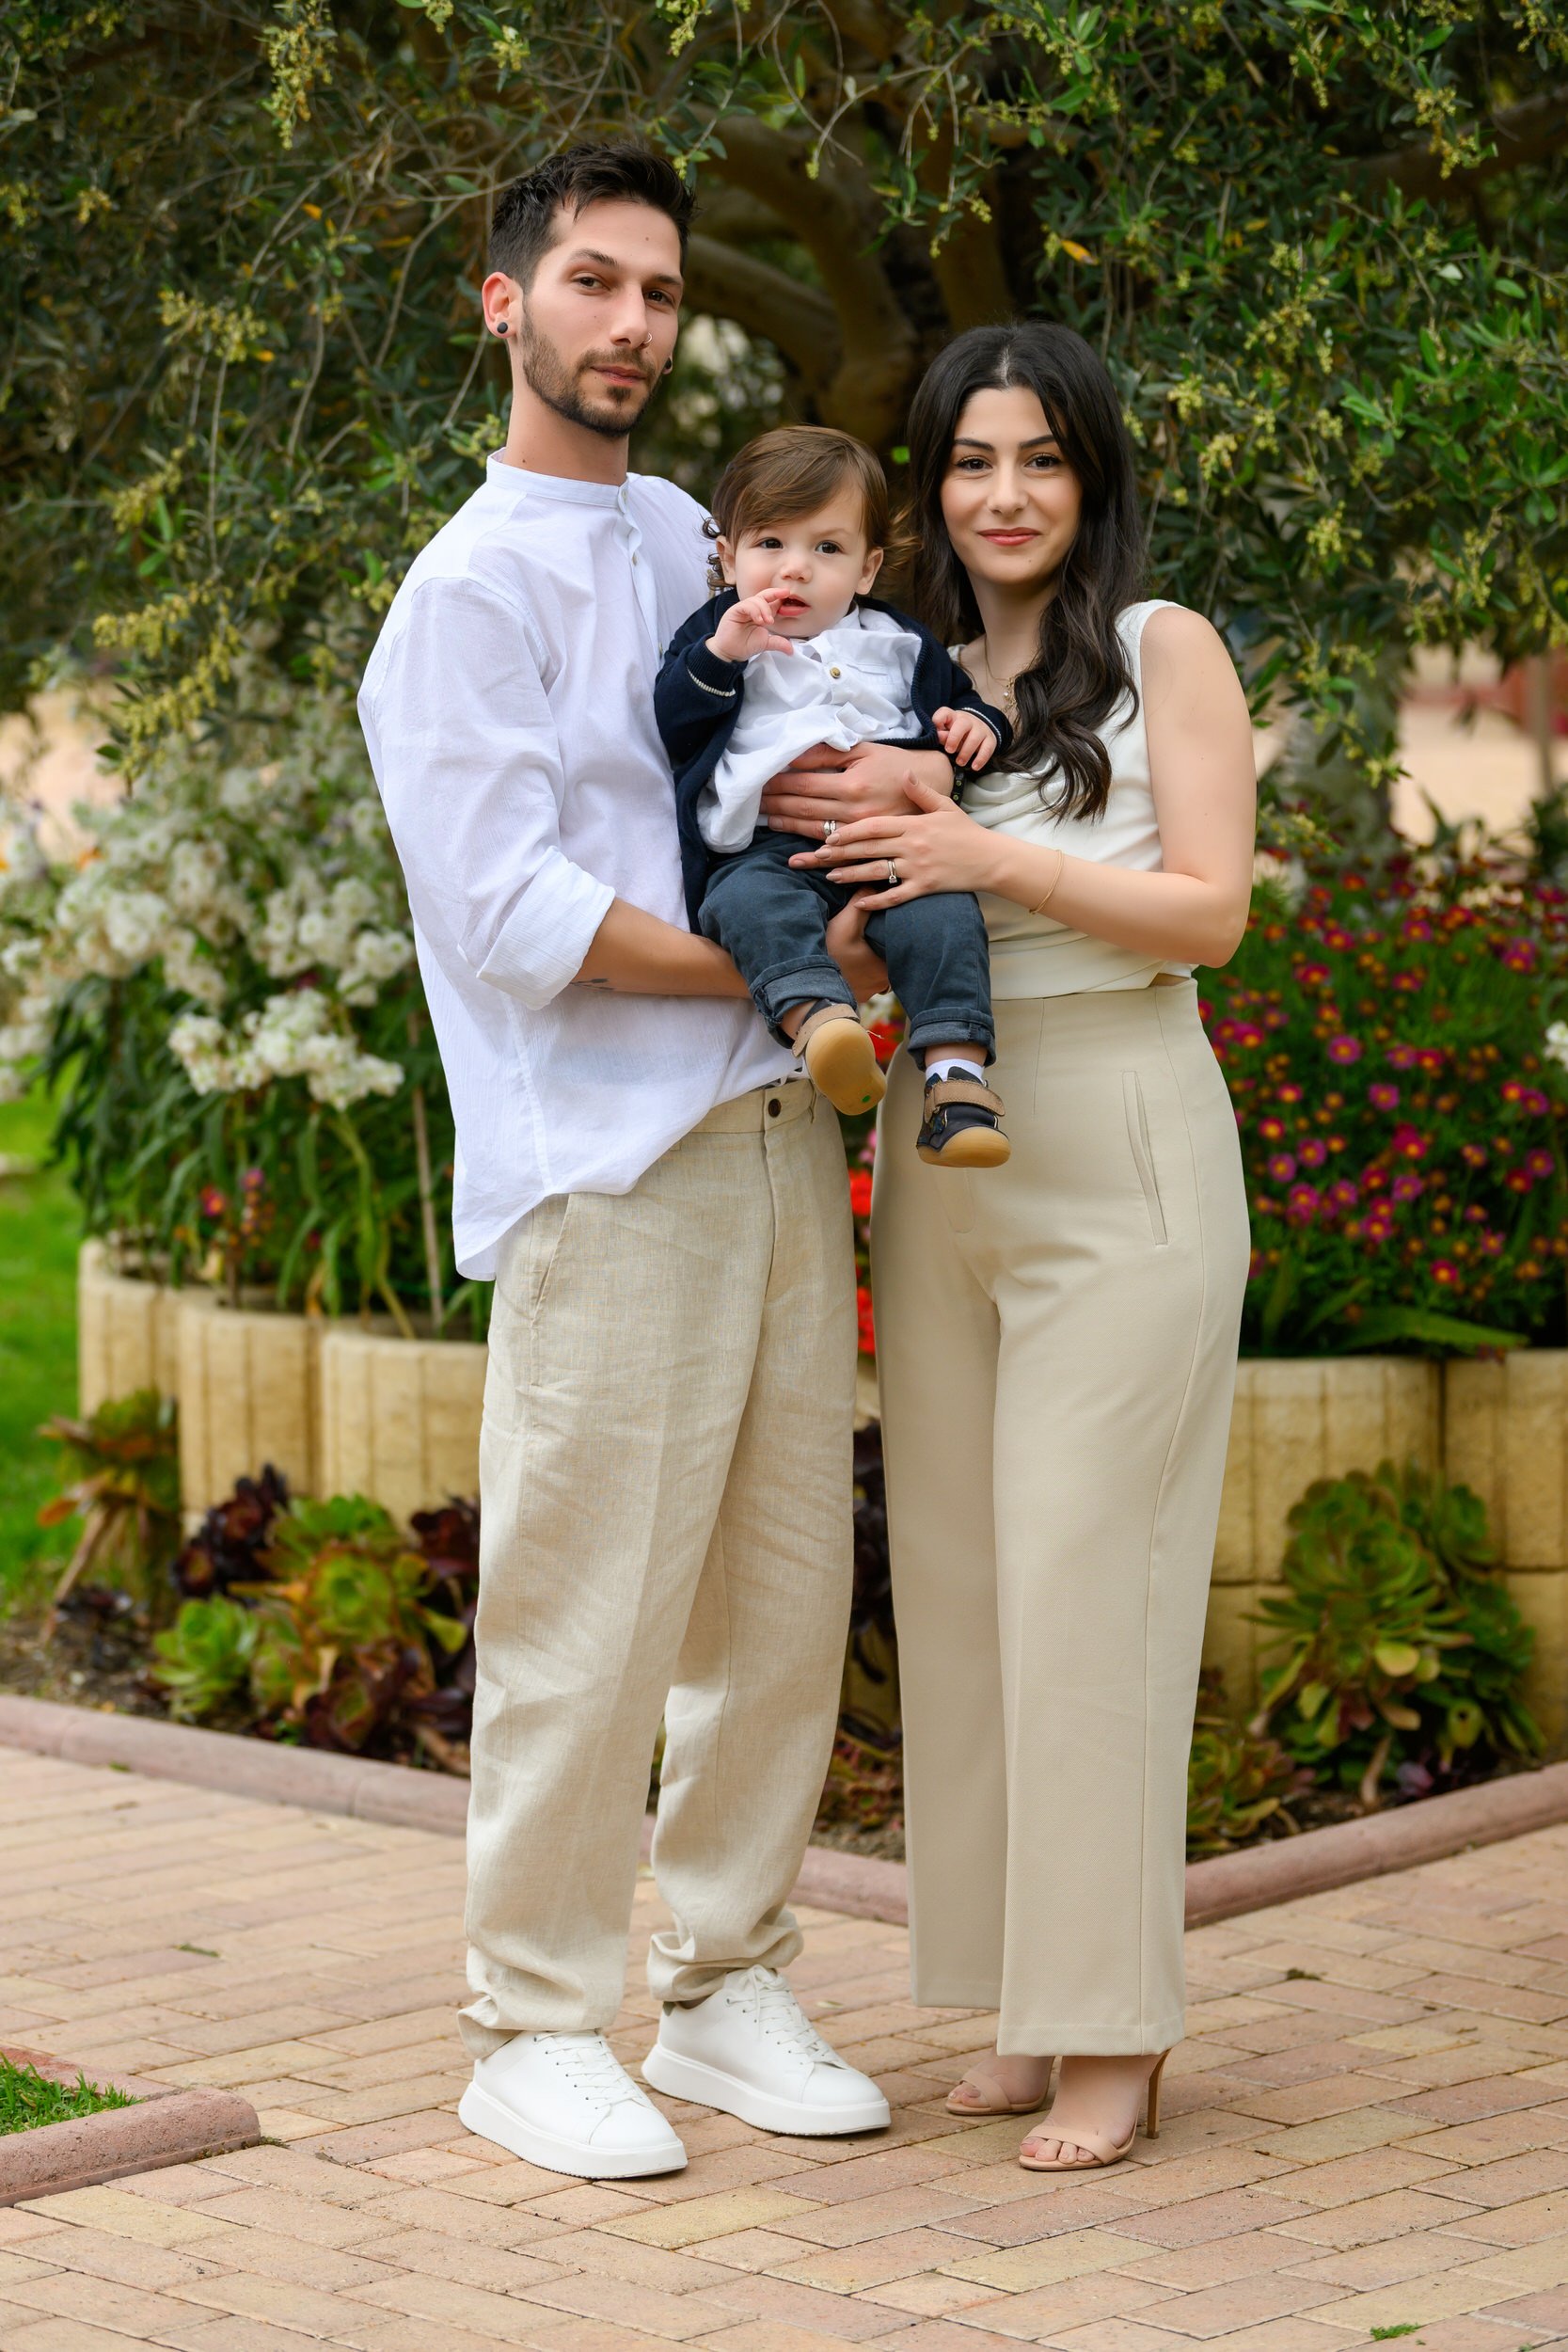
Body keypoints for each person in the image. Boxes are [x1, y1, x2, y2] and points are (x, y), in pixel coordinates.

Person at [357, 142, 904, 2182]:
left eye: (655, 293)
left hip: (769, 1127)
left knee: (779, 1590)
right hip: (606, 1163)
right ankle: (530, 2017)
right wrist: (787, 969)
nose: (627, 324)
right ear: (503, 304)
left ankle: (728, 1978)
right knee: (587, 1610)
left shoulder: (697, 528)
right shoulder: (461, 596)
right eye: (588, 283)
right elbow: (511, 911)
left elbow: (783, 733)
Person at [769, 321, 1256, 2171]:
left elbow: (1206, 909)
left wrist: (996, 867)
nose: (1001, 493)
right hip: (940, 1141)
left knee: (1085, 1585)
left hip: (1118, 1131)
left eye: (1036, 458)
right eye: (969, 461)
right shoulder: (910, 681)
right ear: (928, 489)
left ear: (1089, 475)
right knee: (966, 1586)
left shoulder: (1159, 650)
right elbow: (895, 916)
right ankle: (1005, 1990)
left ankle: (1110, 2027)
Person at [656, 424, 1012, 1163]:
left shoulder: (900, 642)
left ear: (866, 567)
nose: (794, 571)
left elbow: (964, 710)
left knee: (943, 915)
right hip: (766, 850)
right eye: (769, 545)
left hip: (888, 847)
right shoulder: (716, 638)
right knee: (746, 907)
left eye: (826, 549)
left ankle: (957, 1081)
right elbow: (673, 718)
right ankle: (821, 1023)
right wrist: (723, 652)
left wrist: (975, 728)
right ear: (727, 557)